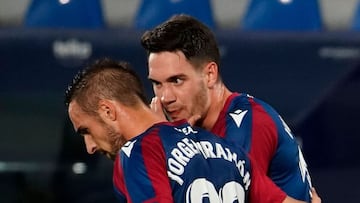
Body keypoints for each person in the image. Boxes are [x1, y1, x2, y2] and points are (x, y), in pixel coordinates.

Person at [64, 58, 320, 203]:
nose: (89, 146)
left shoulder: (136, 153)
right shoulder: (226, 148)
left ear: (108, 111)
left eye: (86, 130)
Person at [141, 14, 314, 201]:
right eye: (157, 84)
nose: (166, 97)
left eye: (177, 80)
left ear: (210, 75)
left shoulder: (250, 123)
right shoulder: (181, 129)